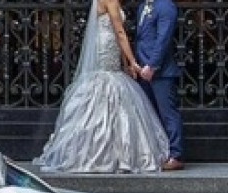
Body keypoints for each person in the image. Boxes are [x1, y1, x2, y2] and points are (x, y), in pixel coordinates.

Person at [32, 0, 169, 174]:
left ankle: (111, 151)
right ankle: (104, 152)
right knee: (106, 82)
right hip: (109, 42)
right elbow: (119, 32)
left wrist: (125, 63)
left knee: (111, 83)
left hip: (109, 43)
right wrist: (133, 61)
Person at [132, 0, 185, 171]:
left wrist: (153, 65)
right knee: (149, 113)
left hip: (160, 72)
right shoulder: (143, 6)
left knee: (167, 112)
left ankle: (176, 155)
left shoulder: (165, 6)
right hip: (142, 68)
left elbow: (163, 38)